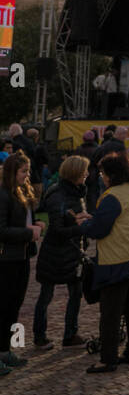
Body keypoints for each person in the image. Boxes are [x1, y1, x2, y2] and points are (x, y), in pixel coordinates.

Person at [82, 151, 129, 374]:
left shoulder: (111, 196)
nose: (101, 177)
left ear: (111, 175)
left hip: (119, 261)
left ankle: (108, 359)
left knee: (111, 314)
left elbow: (99, 229)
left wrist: (83, 225)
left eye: (103, 173)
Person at [33, 155, 91, 351]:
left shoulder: (78, 192)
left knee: (76, 293)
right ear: (75, 173)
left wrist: (83, 224)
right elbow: (57, 229)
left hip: (74, 252)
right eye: (84, 172)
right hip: (55, 253)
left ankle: (70, 334)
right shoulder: (57, 195)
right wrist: (80, 226)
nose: (87, 175)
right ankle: (39, 336)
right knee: (46, 295)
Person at [0, 152, 43, 376]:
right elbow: (2, 230)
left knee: (14, 306)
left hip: (22, 257)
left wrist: (33, 223)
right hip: (6, 258)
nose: (27, 176)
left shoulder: (22, 192)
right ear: (12, 172)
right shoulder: (3, 195)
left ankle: (6, 351)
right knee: (3, 306)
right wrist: (29, 232)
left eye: (28, 171)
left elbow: (23, 220)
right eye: (23, 172)